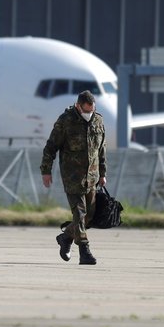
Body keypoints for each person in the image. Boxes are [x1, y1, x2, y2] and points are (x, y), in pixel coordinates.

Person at [40, 90, 106, 265]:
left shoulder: (98, 120)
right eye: (86, 111)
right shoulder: (65, 121)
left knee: (89, 216)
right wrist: (46, 170)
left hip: (92, 176)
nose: (88, 114)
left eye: (91, 110)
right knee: (79, 213)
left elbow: (101, 150)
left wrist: (103, 173)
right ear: (78, 106)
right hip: (72, 176)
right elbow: (50, 147)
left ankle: (66, 237)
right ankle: (85, 251)